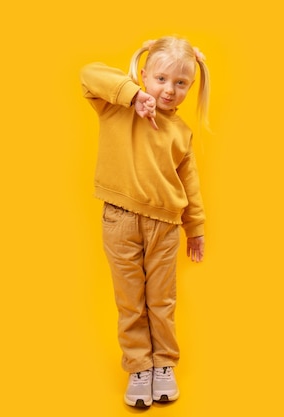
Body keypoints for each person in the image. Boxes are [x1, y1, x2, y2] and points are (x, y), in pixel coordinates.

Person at [80, 35, 210, 408]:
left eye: (181, 82)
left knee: (162, 301)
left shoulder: (181, 133)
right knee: (130, 301)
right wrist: (133, 96)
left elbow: (190, 184)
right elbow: (87, 73)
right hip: (119, 220)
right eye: (161, 79)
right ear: (143, 73)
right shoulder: (116, 107)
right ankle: (139, 366)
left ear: (191, 86)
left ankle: (163, 364)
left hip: (165, 227)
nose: (169, 90)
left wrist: (195, 228)